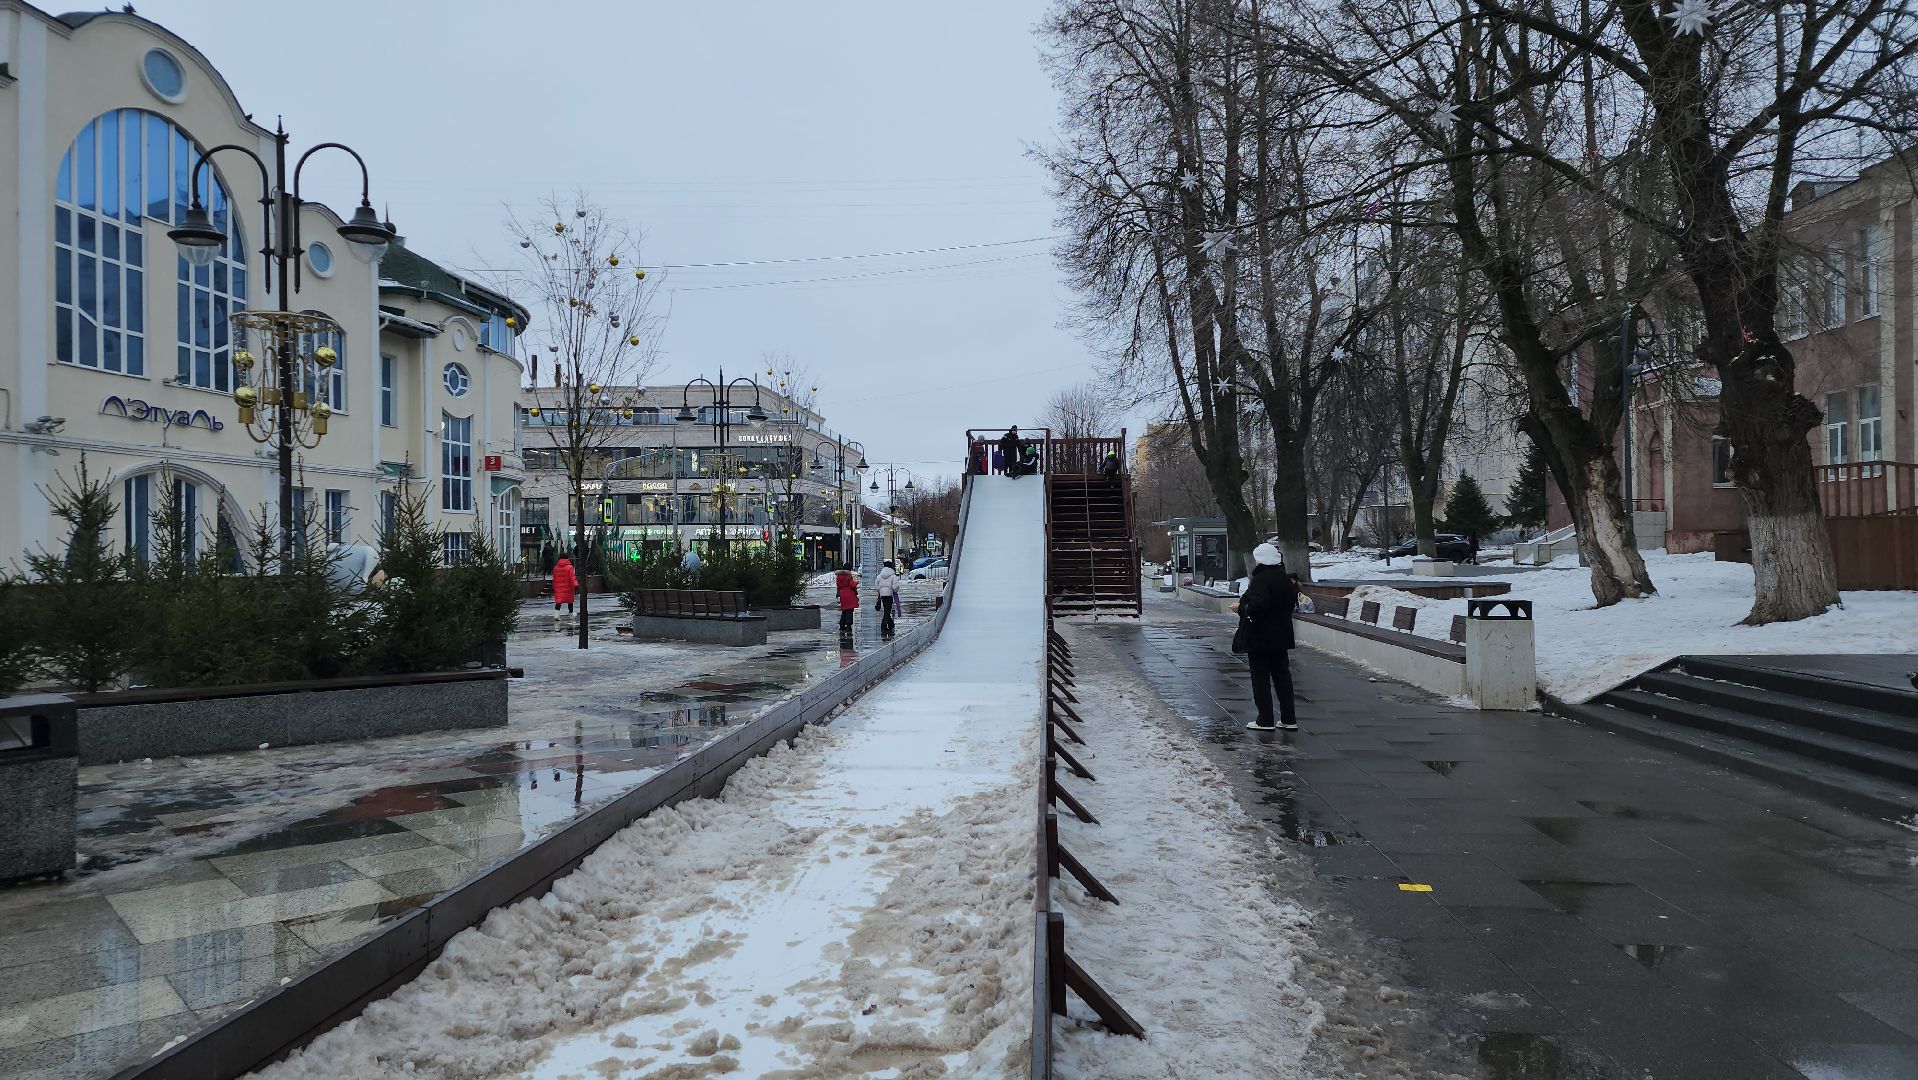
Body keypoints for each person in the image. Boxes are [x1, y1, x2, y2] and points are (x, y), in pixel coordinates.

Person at [1230, 543, 1299, 731]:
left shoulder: (1261, 579)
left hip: (1261, 636)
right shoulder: (1284, 578)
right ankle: (1289, 718)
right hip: (1281, 635)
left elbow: (1258, 605)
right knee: (1282, 677)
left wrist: (1242, 608)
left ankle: (1265, 719)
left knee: (1260, 678)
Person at [874, 560, 899, 638]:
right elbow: (895, 586)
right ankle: (883, 627)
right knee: (887, 612)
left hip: (882, 595)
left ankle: (891, 625)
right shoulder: (893, 576)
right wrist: (894, 591)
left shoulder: (879, 576)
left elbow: (876, 586)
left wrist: (880, 591)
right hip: (889, 595)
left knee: (886, 610)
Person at [835, 567, 859, 637]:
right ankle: (849, 627)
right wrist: (856, 582)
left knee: (844, 610)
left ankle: (842, 626)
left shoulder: (838, 576)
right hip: (849, 593)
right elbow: (852, 585)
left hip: (842, 593)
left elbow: (838, 585)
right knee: (850, 610)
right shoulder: (849, 576)